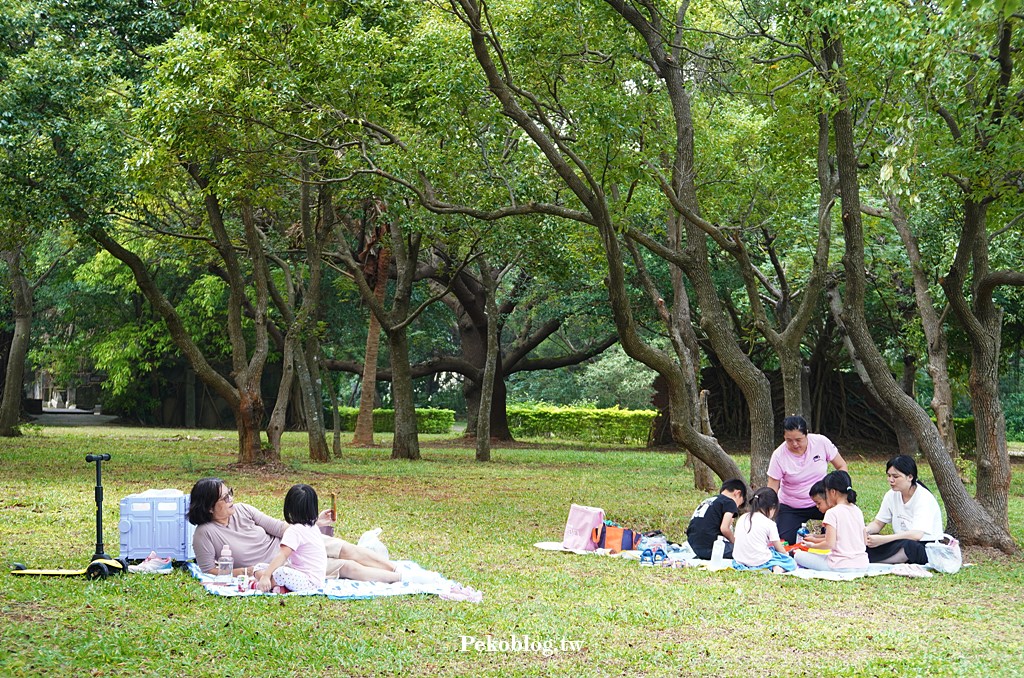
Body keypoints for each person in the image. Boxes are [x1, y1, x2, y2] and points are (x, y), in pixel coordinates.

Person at [188, 477, 403, 583]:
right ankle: (397, 580)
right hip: (289, 565)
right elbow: (210, 572)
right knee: (345, 566)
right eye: (225, 497)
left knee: (345, 548)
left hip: (293, 542)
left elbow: (281, 527)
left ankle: (394, 569)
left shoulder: (243, 510)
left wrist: (311, 525)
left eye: (230, 493)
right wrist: (250, 571)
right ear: (209, 506)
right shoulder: (204, 534)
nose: (231, 499)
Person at [766, 415, 848, 545]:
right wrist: (767, 514)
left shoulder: (821, 442)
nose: (794, 444)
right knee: (785, 542)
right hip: (792, 506)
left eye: (799, 439)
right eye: (789, 440)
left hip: (825, 500)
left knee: (843, 531)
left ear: (807, 434)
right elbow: (771, 490)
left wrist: (840, 495)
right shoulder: (778, 456)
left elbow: (841, 466)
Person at [865, 455, 943, 564]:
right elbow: (878, 523)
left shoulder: (924, 497)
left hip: (924, 546)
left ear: (910, 477)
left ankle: (873, 560)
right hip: (900, 542)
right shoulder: (891, 495)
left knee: (909, 547)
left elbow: (917, 535)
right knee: (869, 543)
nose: (891, 480)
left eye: (896, 477)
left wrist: (884, 539)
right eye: (889, 476)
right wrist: (866, 531)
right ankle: (870, 557)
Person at [255, 484, 327, 593]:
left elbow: (282, 555)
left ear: (289, 507)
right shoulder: (313, 526)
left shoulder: (294, 531)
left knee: (281, 572)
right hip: (314, 579)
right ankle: (280, 587)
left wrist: (265, 576)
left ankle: (263, 585)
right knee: (259, 566)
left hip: (309, 582)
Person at [794, 471, 869, 572]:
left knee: (798, 555)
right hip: (862, 564)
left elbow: (829, 544)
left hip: (839, 565)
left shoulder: (832, 513)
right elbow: (864, 540)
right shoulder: (857, 510)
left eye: (826, 492)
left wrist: (812, 546)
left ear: (833, 492)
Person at [731, 487, 797, 573]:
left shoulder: (742, 518)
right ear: (772, 507)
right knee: (791, 562)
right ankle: (776, 567)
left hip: (739, 560)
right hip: (760, 561)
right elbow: (779, 548)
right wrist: (787, 555)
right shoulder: (769, 523)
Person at [685, 478, 748, 560]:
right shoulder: (730, 502)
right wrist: (734, 542)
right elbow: (724, 528)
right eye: (739, 504)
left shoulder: (708, 500)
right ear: (737, 493)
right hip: (711, 547)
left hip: (693, 546)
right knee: (746, 550)